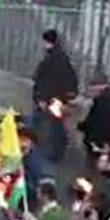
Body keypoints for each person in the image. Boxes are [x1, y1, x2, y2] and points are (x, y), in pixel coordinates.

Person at [31, 30, 78, 163]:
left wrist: (42, 98)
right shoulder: (60, 57)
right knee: (53, 124)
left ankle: (53, 152)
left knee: (53, 125)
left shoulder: (53, 59)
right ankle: (52, 149)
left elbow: (49, 81)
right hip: (55, 99)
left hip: (51, 99)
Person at [77, 71, 110, 161]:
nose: (91, 92)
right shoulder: (108, 101)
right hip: (106, 143)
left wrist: (81, 126)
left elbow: (94, 122)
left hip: (98, 143)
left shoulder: (101, 103)